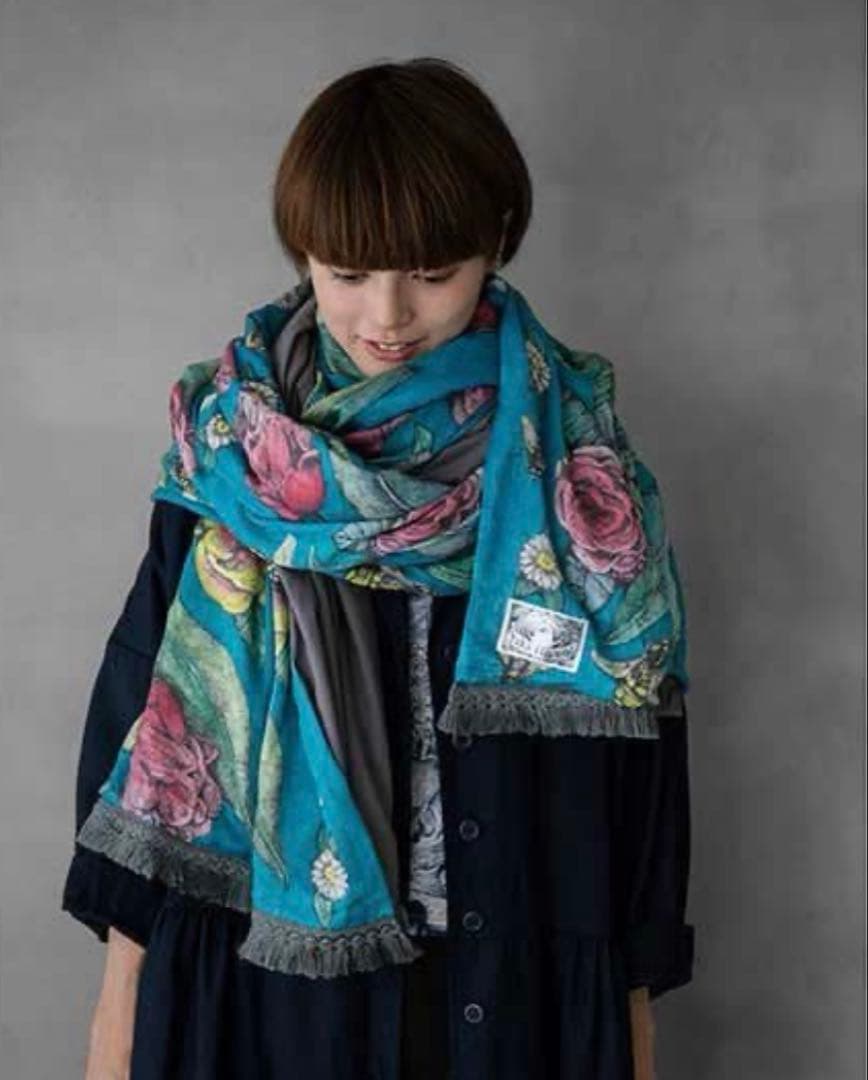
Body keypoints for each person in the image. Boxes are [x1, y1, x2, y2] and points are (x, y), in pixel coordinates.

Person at [62, 57, 694, 1080]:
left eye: (431, 273)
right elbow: (147, 738)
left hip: (510, 985)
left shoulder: (577, 470)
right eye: (348, 272)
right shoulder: (231, 458)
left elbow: (643, 770)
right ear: (305, 255)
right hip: (263, 984)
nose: (387, 316)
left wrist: (632, 1023)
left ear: (495, 241)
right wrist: (117, 1014)